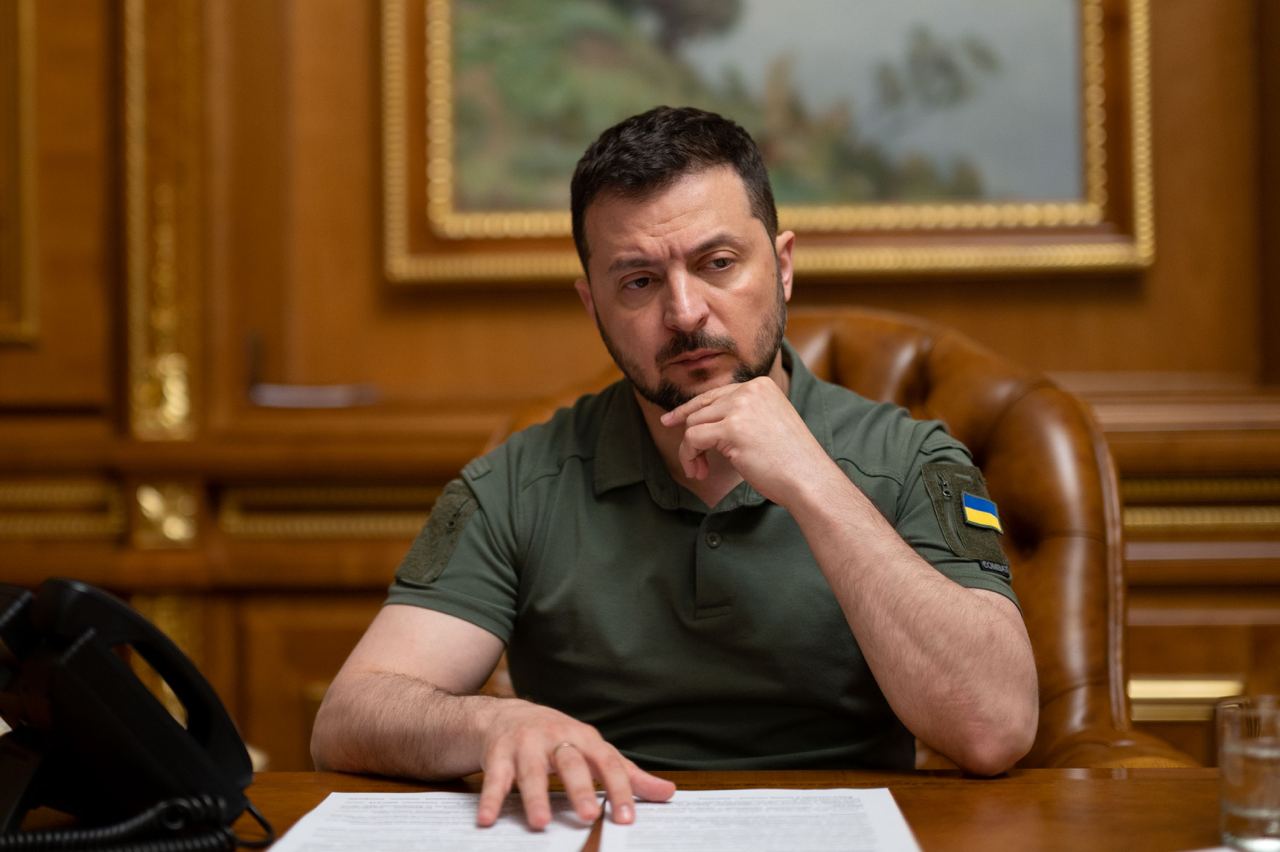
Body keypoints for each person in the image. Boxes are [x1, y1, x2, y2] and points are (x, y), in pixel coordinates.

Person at [311, 106, 1038, 829]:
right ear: (592, 304)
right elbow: (348, 718)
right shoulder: (514, 482)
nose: (685, 312)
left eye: (718, 263)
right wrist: (489, 724)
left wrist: (812, 481)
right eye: (638, 281)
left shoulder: (913, 460)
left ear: (782, 267)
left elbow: (995, 728)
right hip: (604, 827)